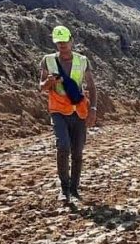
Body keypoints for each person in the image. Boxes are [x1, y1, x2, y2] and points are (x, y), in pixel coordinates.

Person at [39, 25, 97, 202]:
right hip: (58, 111)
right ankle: (64, 189)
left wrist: (93, 110)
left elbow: (92, 87)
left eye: (64, 42)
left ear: (71, 41)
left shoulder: (82, 60)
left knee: (77, 152)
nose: (62, 45)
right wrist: (49, 82)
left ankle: (74, 189)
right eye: (59, 43)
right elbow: (41, 87)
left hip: (78, 111)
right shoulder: (47, 60)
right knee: (63, 147)